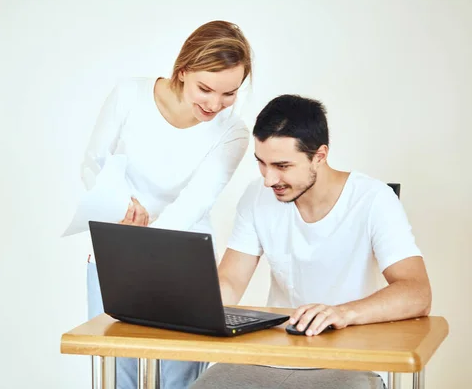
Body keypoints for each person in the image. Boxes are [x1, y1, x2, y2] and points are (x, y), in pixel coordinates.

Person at [191, 94, 432, 389]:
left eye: (282, 165)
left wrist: (343, 312)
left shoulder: (373, 199)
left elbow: (417, 292)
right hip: (267, 356)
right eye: (262, 164)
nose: (269, 179)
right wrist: (185, 304)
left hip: (347, 363)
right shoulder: (257, 197)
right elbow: (229, 281)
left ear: (319, 156)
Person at [79, 20, 253, 389]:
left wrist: (143, 244)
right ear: (183, 70)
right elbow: (94, 163)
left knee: (181, 378)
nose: (215, 104)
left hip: (183, 257)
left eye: (229, 94)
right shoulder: (129, 95)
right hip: (116, 245)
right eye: (205, 89)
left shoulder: (233, 132)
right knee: (115, 372)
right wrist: (121, 211)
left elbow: (193, 203)